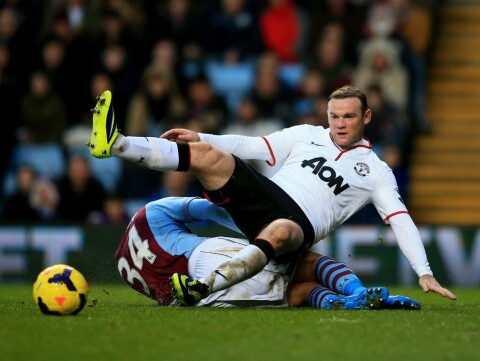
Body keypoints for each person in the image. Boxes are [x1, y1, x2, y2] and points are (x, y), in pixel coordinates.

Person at [87, 87, 456, 307]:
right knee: (208, 155)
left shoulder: (376, 171)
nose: (340, 123)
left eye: (348, 116)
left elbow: (400, 220)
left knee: (282, 230)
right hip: (265, 199)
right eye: (334, 116)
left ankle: (202, 287)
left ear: (367, 117)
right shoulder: (307, 134)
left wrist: (424, 272)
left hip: (296, 229)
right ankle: (116, 144)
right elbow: (252, 146)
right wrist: (203, 137)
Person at [116, 195, 420, 310]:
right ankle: (358, 294)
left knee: (294, 294)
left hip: (196, 298)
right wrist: (259, 233)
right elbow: (209, 209)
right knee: (307, 263)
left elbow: (162, 295)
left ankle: (348, 302)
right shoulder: (151, 212)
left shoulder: (122, 267)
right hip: (207, 258)